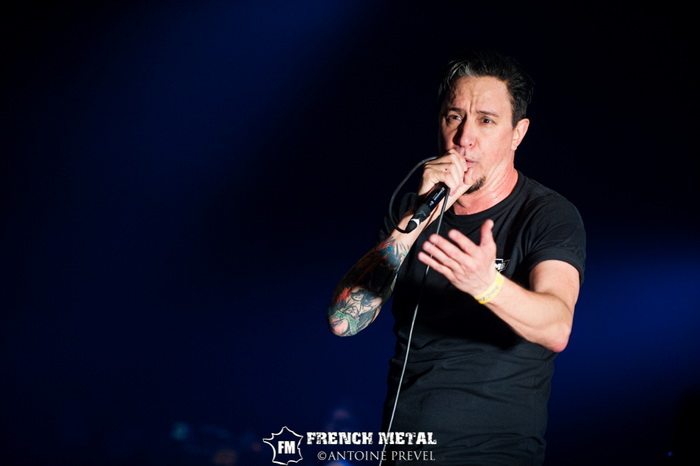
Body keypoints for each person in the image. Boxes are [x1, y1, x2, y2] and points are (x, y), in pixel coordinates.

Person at [326, 51, 586, 465]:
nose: (465, 137)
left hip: (494, 455)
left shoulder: (546, 214)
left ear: (517, 133)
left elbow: (557, 327)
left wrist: (488, 285)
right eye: (454, 117)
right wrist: (417, 217)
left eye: (486, 120)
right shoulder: (410, 213)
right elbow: (344, 322)